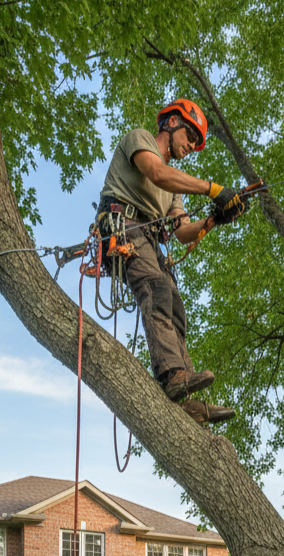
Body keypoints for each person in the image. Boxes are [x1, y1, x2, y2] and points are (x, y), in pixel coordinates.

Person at [97, 99, 245, 424]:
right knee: (157, 290)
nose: (192, 146)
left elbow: (181, 232)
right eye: (190, 136)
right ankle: (172, 376)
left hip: (148, 241)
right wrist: (213, 189)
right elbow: (157, 173)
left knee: (177, 310)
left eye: (195, 142)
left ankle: (185, 399)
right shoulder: (141, 139)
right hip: (122, 226)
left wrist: (216, 218)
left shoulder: (173, 193)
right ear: (172, 122)